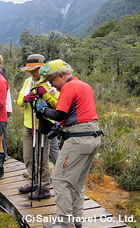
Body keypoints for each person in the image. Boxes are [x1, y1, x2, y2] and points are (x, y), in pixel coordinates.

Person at [38, 59, 104, 228]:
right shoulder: (84, 85)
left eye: (51, 81)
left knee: (61, 180)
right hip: (93, 137)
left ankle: (64, 224)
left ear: (60, 75)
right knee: (77, 182)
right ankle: (75, 219)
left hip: (78, 140)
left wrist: (43, 110)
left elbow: (59, 114)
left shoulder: (69, 86)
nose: (52, 85)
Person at [16, 54, 59, 200]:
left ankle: (45, 187)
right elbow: (19, 101)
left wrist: (45, 94)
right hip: (28, 125)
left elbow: (57, 105)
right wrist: (25, 99)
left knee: (42, 159)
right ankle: (34, 181)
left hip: (43, 125)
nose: (31, 73)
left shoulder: (50, 83)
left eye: (34, 70)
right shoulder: (28, 83)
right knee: (28, 157)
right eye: (30, 70)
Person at [0, 53, 13, 159]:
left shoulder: (0, 76)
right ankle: (2, 154)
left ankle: (3, 154)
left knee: (0, 134)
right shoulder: (0, 75)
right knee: (0, 134)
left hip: (4, 108)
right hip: (5, 107)